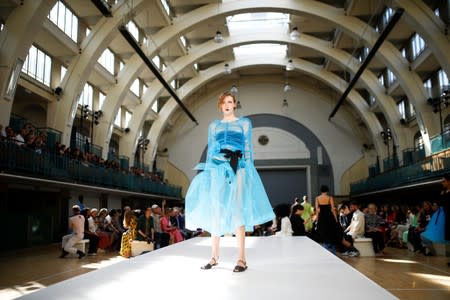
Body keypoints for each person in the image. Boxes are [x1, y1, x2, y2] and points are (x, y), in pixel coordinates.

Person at [185, 91, 275, 272]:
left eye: (230, 102)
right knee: (216, 210)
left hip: (239, 167)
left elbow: (248, 150)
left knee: (238, 209)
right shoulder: (214, 126)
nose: (227, 105)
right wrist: (209, 173)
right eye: (224, 102)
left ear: (234, 104)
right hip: (218, 168)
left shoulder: (244, 123)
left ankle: (241, 259)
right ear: (220, 105)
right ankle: (213, 257)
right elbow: (211, 151)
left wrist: (249, 173)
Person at [315, 185, 339, 254]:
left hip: (322, 217)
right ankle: (333, 251)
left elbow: (317, 210)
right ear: (327, 190)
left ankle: (325, 250)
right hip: (329, 216)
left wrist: (317, 219)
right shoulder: (329, 198)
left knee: (323, 232)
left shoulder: (317, 198)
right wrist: (336, 218)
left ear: (321, 190)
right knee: (331, 232)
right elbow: (332, 209)